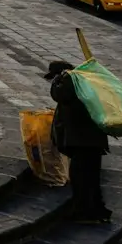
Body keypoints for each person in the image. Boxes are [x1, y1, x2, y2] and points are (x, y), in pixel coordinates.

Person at [47, 60, 112, 222]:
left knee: (80, 178)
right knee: (93, 178)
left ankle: (84, 212)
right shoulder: (84, 82)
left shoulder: (69, 82)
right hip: (94, 141)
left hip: (82, 142)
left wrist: (57, 81)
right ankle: (98, 210)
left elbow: (58, 95)